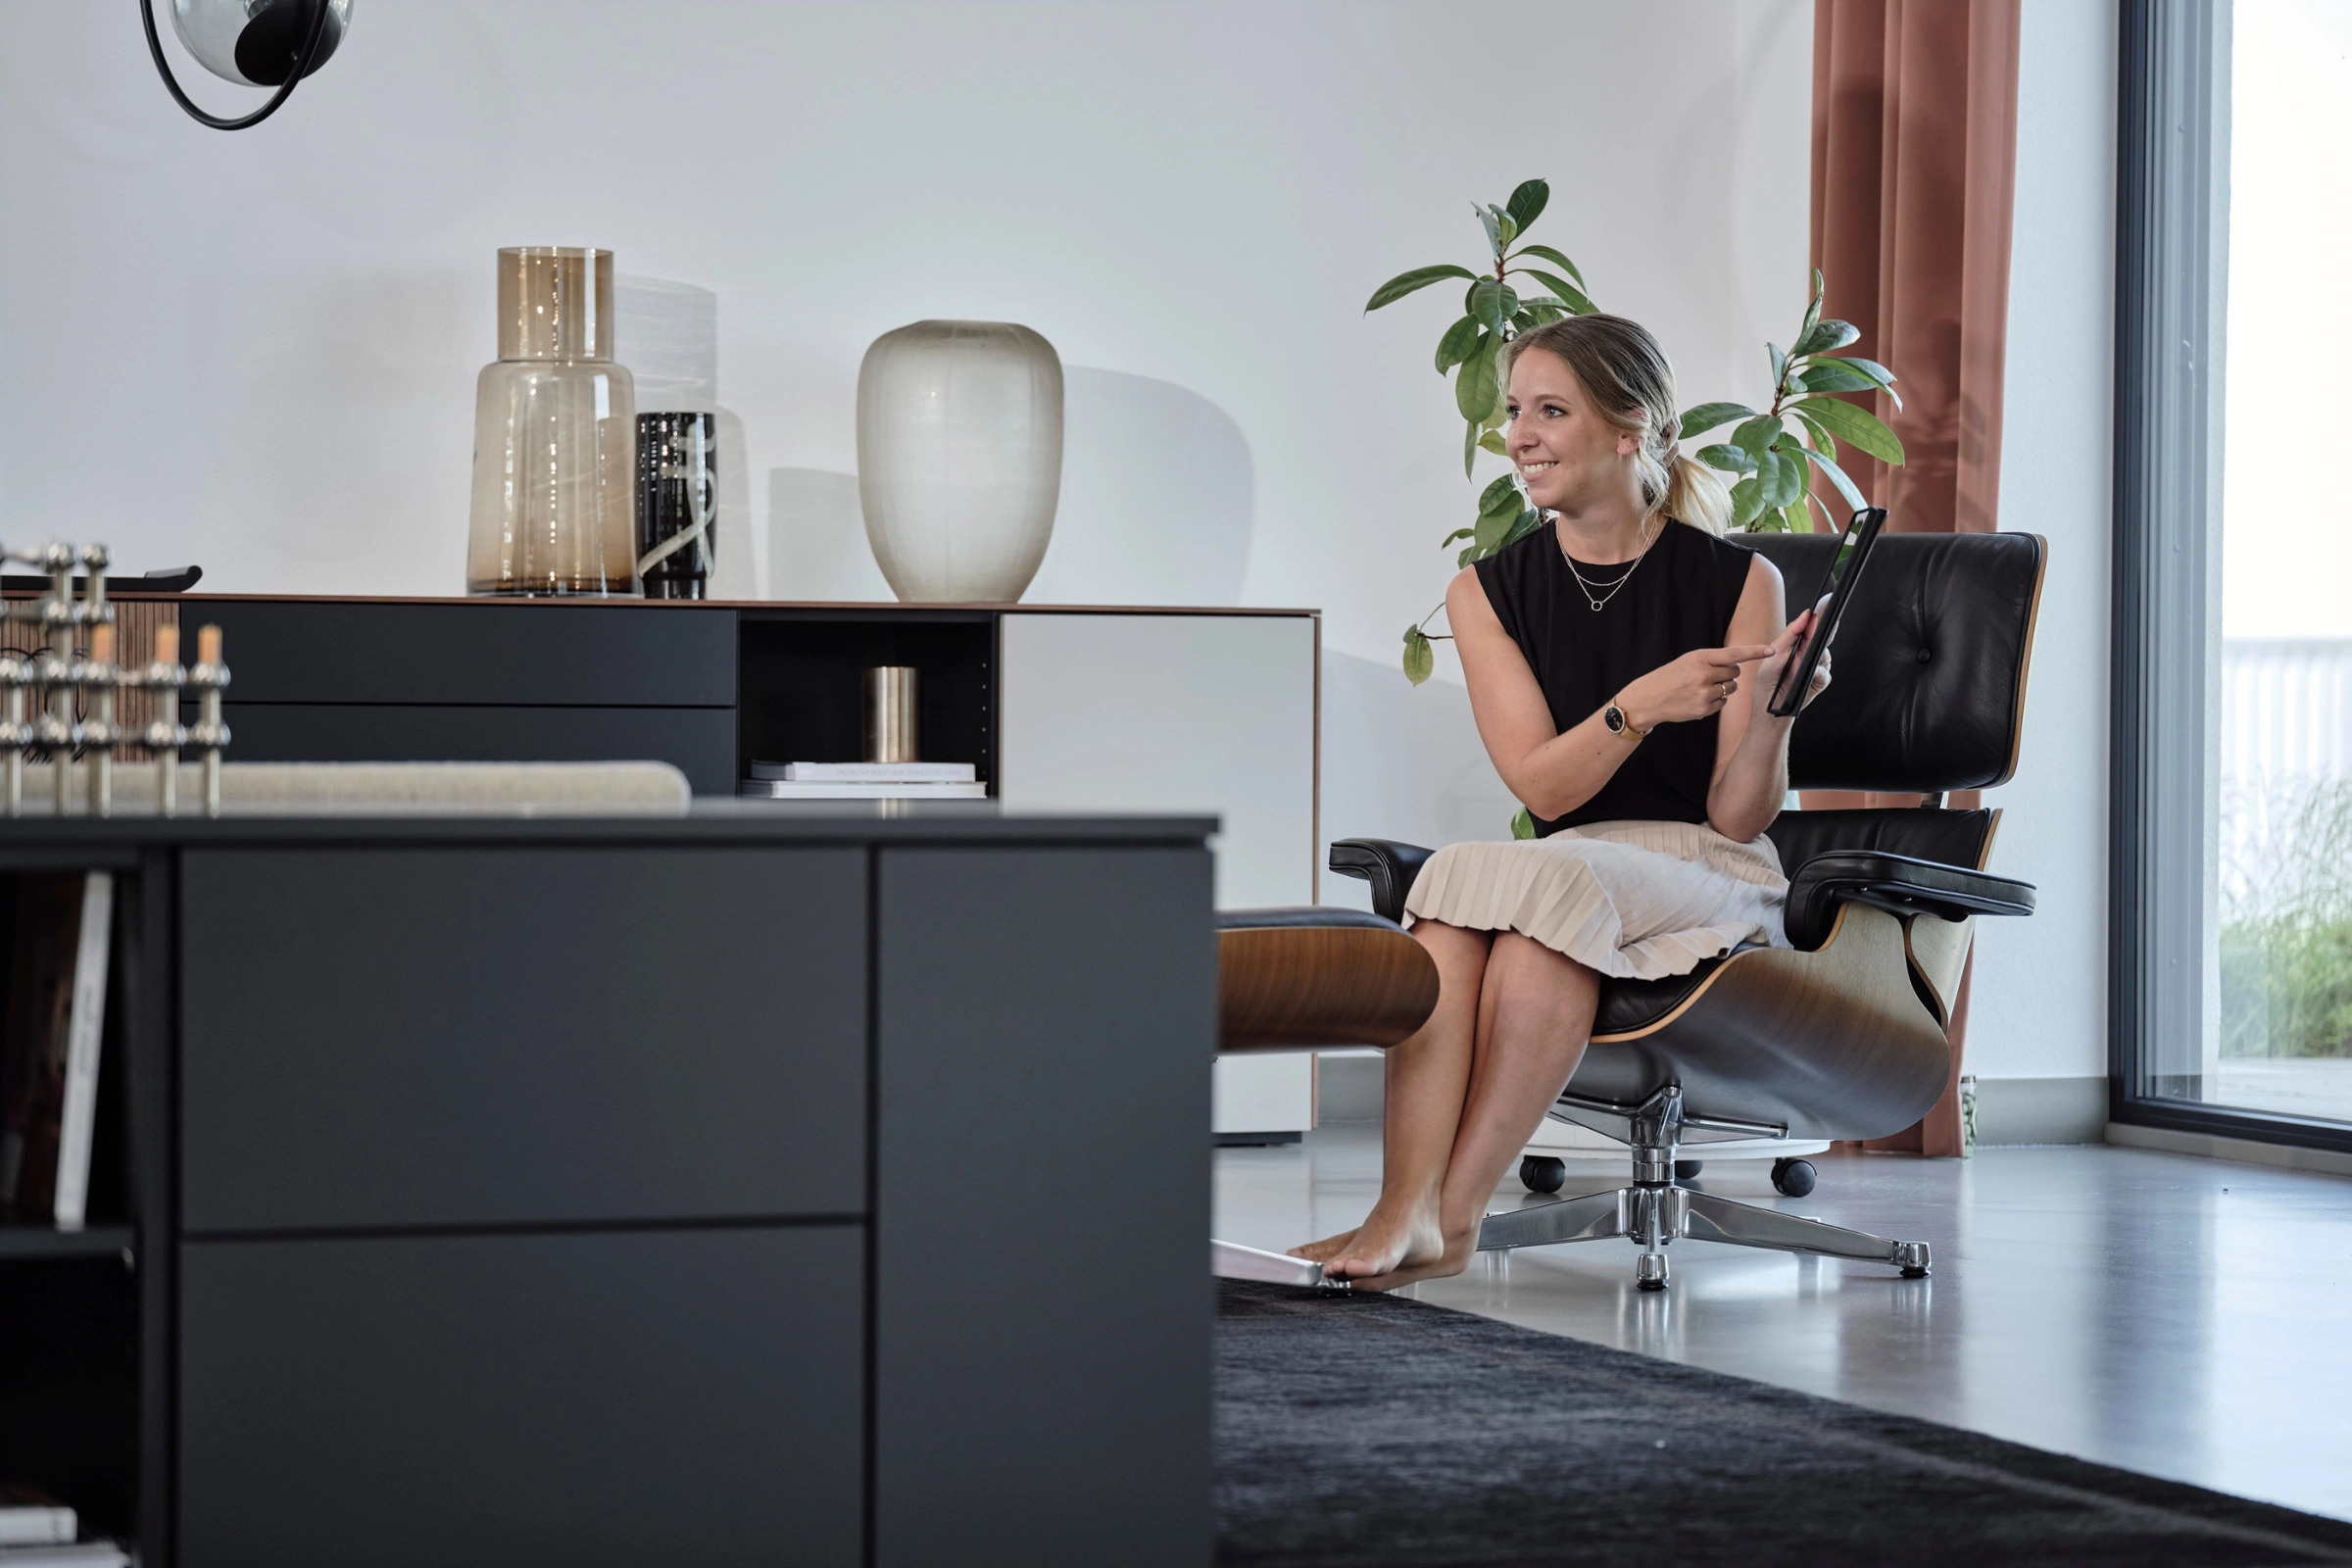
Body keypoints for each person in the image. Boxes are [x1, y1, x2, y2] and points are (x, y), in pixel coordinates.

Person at [1291, 314, 1834, 1290]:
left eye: (1550, 410)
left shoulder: (1738, 577)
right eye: (1512, 412)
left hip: (1702, 868)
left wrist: (1776, 717)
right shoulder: (1486, 592)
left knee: (1501, 885)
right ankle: (1407, 1208)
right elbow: (1543, 788)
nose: (1519, 435)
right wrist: (1642, 703)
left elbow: (1739, 817)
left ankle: (1450, 1217)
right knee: (1467, 907)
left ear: (1629, 429)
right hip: (1571, 868)